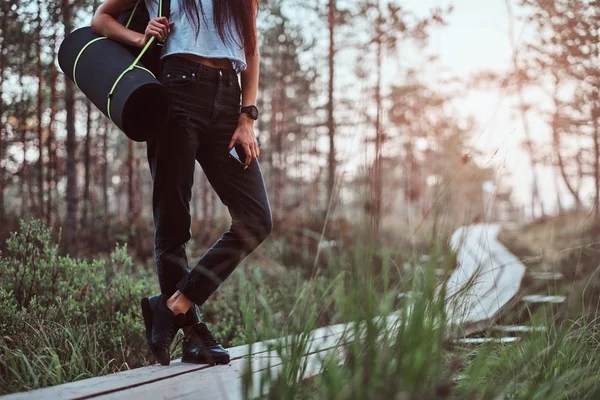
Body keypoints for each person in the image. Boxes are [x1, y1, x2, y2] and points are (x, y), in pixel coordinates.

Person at [91, 0, 272, 366]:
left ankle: (174, 304)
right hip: (178, 90)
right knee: (173, 219)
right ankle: (192, 335)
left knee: (256, 220)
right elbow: (101, 18)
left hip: (229, 96)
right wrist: (139, 35)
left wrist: (247, 117)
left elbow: (251, 51)